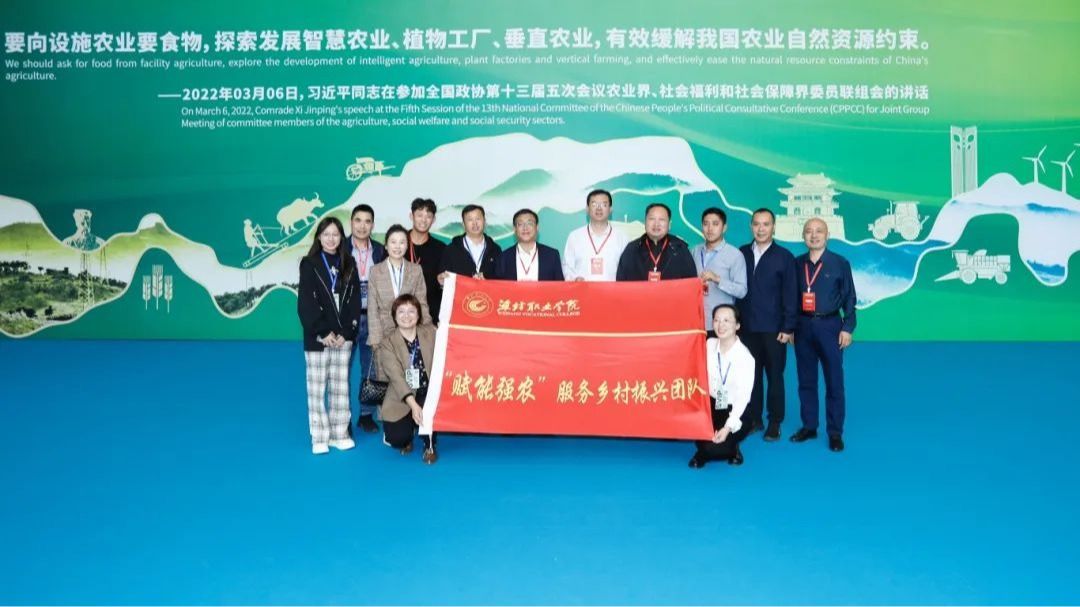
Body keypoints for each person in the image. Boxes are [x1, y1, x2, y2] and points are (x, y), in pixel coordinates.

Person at [296, 217, 363, 455]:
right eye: (326, 234)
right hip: (318, 337)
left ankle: (339, 434)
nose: (331, 239)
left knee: (340, 387)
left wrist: (346, 332)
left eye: (335, 234)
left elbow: (355, 302)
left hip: (343, 336)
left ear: (341, 237)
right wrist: (322, 331)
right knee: (316, 389)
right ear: (319, 237)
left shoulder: (349, 263)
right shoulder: (309, 263)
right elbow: (306, 302)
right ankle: (319, 437)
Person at [789, 218, 857, 452]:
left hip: (830, 326)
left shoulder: (840, 263)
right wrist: (790, 327)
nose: (814, 235)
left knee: (834, 381)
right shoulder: (797, 264)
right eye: (809, 231)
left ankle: (835, 432)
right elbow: (790, 298)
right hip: (803, 326)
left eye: (819, 231)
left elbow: (849, 297)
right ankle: (809, 426)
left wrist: (847, 327)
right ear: (803, 236)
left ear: (827, 235)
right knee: (806, 380)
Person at [737, 208, 798, 441]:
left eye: (766, 224)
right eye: (756, 224)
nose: (761, 229)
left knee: (774, 376)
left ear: (773, 227)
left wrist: (788, 327)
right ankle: (754, 419)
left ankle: (774, 422)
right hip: (746, 328)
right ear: (751, 226)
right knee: (750, 376)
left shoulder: (784, 256)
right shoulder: (741, 253)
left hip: (774, 329)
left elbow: (791, 294)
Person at [689, 304, 755, 468]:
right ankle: (707, 449)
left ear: (737, 325)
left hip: (735, 409)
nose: (721, 325)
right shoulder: (709, 344)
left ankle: (730, 448)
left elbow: (742, 398)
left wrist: (727, 428)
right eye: (717, 320)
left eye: (727, 320)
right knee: (698, 433)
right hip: (711, 404)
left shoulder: (745, 358)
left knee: (716, 446)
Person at [376, 294, 438, 464]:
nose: (406, 316)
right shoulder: (387, 343)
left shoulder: (431, 332)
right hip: (401, 395)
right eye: (401, 311)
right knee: (397, 438)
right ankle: (407, 436)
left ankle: (429, 446)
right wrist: (413, 405)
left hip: (427, 392)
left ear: (418, 315)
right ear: (394, 316)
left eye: (411, 311)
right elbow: (396, 378)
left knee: (428, 411)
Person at [342, 204, 387, 434]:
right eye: (357, 220)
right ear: (351, 222)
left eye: (367, 221)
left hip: (372, 317)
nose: (362, 226)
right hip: (346, 319)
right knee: (342, 370)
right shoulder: (339, 248)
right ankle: (344, 417)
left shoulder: (380, 250)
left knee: (371, 368)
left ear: (373, 225)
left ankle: (366, 414)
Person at [367, 224, 432, 346]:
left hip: (410, 330)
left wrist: (428, 330)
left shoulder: (416, 270)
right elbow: (372, 309)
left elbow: (422, 303)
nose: (397, 246)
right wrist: (376, 342)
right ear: (386, 245)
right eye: (393, 242)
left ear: (407, 245)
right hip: (384, 332)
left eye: (402, 242)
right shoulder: (375, 271)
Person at [691, 207, 747, 334]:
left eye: (715, 224)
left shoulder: (735, 255)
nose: (710, 229)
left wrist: (718, 279)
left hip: (721, 325)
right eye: (706, 224)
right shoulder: (694, 251)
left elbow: (741, 291)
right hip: (696, 323)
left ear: (724, 227)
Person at [616, 202, 697, 281]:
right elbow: (621, 283)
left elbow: (691, 282)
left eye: (661, 219)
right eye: (652, 219)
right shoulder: (632, 249)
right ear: (645, 222)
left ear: (669, 224)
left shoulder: (680, 248)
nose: (656, 224)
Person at [563, 189, 630, 282]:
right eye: (594, 204)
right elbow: (567, 266)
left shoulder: (622, 238)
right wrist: (574, 279)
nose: (599, 208)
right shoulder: (574, 236)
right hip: (582, 290)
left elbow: (628, 269)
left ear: (610, 209)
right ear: (587, 209)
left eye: (604, 204)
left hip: (612, 290)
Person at [493, 208, 565, 281]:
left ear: (537, 227)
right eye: (520, 224)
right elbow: (497, 286)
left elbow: (560, 286)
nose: (525, 228)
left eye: (530, 223)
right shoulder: (503, 257)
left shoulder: (552, 255)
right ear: (515, 229)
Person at [406, 198, 447, 324]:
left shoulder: (441, 248)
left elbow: (444, 285)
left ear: (433, 220)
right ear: (411, 216)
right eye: (419, 215)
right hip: (401, 314)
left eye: (428, 216)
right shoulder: (398, 244)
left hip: (430, 316)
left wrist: (442, 283)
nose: (423, 220)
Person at [438, 204, 501, 283]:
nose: (475, 223)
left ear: (484, 221)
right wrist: (442, 281)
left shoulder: (495, 250)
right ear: (463, 224)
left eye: (478, 219)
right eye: (470, 220)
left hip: (487, 291)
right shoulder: (451, 250)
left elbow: (500, 280)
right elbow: (444, 279)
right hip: (461, 291)